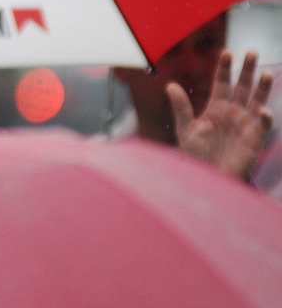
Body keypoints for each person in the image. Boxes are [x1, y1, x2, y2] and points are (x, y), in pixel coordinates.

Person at [112, 12, 275, 182]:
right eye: (168, 46)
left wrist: (225, 184)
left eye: (207, 43)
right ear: (121, 65)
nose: (193, 67)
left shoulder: (270, 170)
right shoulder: (97, 178)